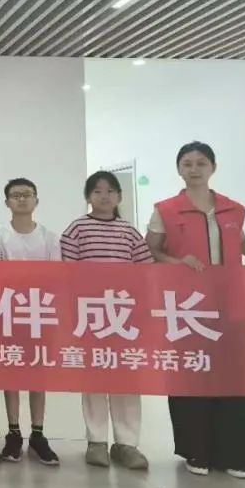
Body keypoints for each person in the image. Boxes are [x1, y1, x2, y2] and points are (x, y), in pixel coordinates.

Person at [146, 141, 245, 479]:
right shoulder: (165, 210)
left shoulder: (232, 209)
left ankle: (233, 454)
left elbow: (241, 243)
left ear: (213, 168)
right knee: (192, 374)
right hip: (188, 308)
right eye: (187, 163)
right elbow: (151, 251)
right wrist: (178, 262)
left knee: (232, 376)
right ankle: (196, 450)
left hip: (231, 304)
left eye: (201, 163)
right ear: (179, 169)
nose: (194, 169)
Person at [61, 171, 152, 471]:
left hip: (124, 315)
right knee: (95, 377)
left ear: (119, 197)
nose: (104, 196)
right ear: (88, 197)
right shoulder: (77, 229)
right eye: (97, 191)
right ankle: (96, 441)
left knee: (126, 378)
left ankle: (127, 443)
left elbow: (146, 271)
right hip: (90, 314)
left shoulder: (129, 232)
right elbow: (67, 272)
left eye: (110, 191)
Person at [0, 178, 62, 466]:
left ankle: (38, 433)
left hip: (40, 311)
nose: (21, 199)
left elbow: (55, 276)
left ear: (36, 200)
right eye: (15, 195)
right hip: (9, 310)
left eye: (27, 194)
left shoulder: (49, 237)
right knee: (13, 371)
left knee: (37, 374)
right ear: (7, 202)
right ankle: (14, 432)